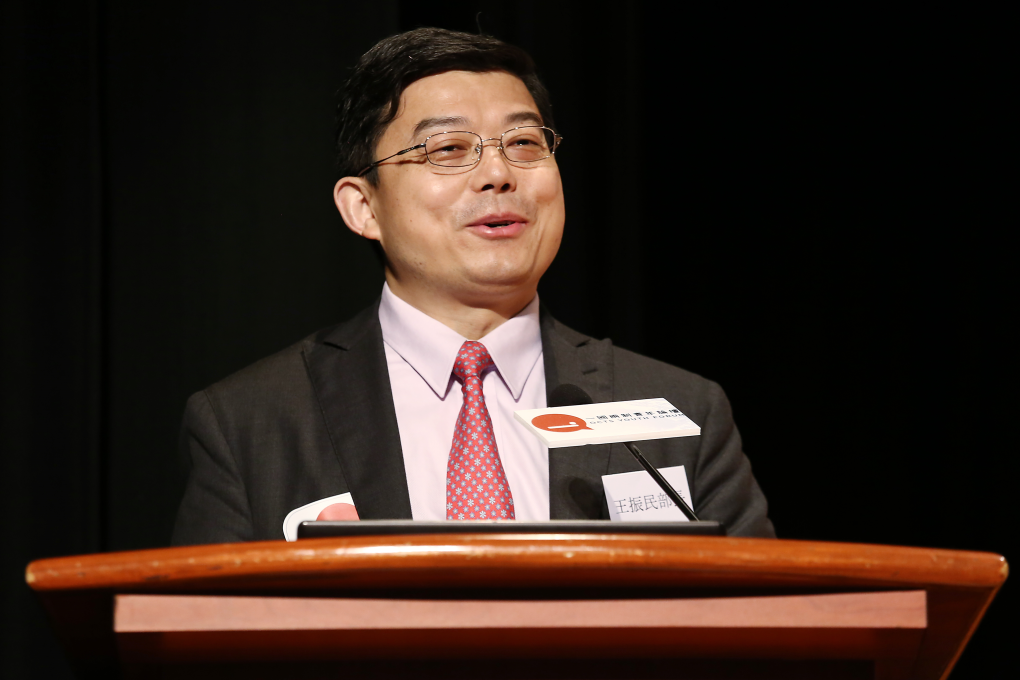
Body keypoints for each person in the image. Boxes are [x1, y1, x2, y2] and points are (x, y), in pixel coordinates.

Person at [171, 28, 774, 545]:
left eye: (524, 143)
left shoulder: (680, 411)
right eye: (449, 148)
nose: (497, 174)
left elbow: (765, 630)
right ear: (363, 208)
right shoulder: (251, 421)